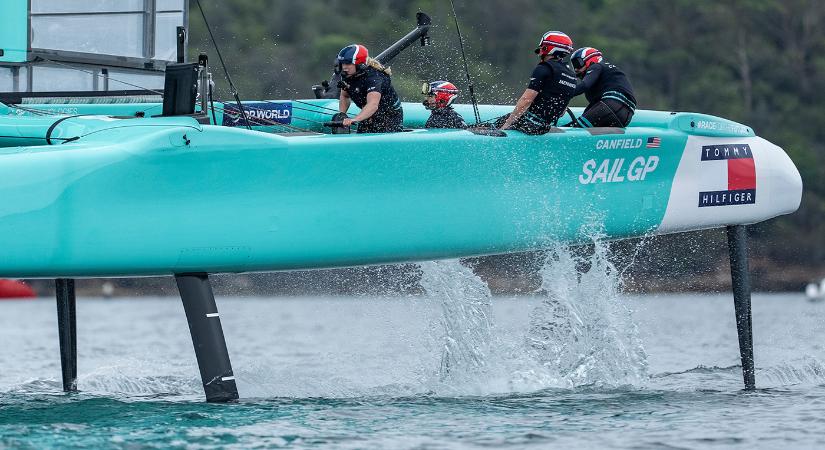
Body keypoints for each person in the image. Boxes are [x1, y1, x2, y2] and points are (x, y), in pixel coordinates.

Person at [497, 31, 577, 134]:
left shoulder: (544, 68)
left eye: (542, 47)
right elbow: (562, 112)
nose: (539, 51)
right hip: (544, 128)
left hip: (530, 126)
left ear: (548, 48)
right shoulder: (571, 74)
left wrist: (506, 125)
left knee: (493, 125)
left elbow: (526, 100)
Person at [336, 44, 403, 133]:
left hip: (389, 117)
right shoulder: (347, 75)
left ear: (359, 64)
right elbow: (345, 96)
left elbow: (373, 105)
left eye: (348, 63)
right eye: (343, 63)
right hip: (368, 115)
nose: (344, 67)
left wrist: (354, 119)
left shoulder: (374, 78)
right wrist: (342, 114)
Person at [570, 47, 636, 128]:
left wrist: (562, 93)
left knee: (575, 128)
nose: (576, 69)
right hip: (627, 115)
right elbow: (592, 108)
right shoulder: (606, 74)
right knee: (579, 125)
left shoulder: (596, 66)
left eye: (577, 63)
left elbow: (584, 86)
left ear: (590, 60)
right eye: (573, 65)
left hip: (612, 105)